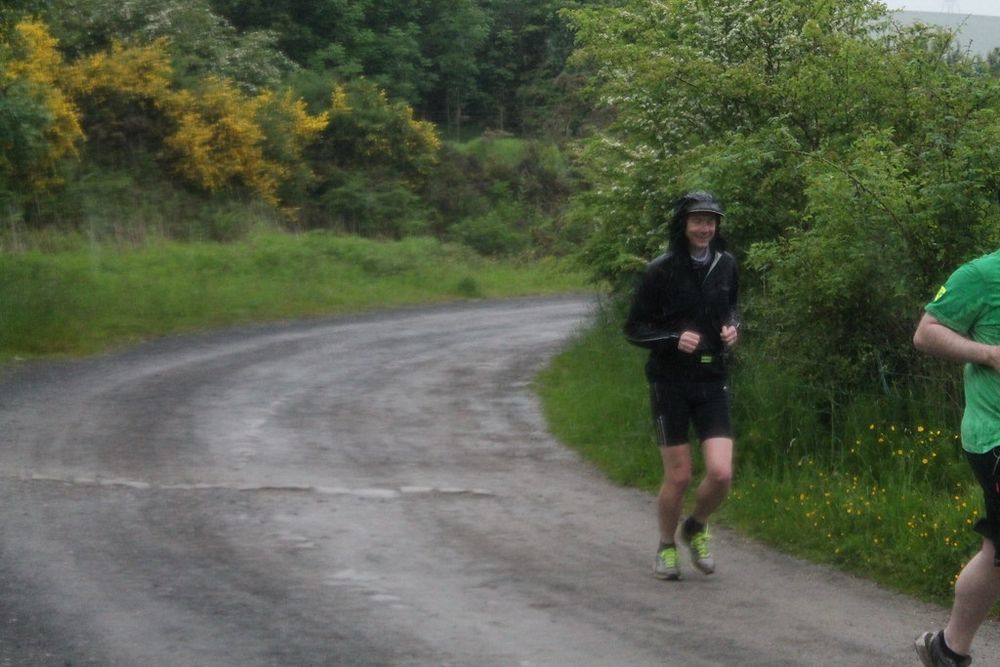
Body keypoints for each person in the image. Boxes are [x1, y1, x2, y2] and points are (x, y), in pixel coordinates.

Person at [623, 190, 740, 580]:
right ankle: (666, 546)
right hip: (669, 381)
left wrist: (733, 330)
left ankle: (695, 526)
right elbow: (634, 329)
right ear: (683, 224)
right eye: (697, 220)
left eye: (711, 221)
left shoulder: (727, 265)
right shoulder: (660, 270)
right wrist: (673, 339)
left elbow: (733, 311)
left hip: (712, 378)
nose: (705, 228)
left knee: (721, 473)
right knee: (680, 476)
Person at [913, 249, 1000, 667]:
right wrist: (988, 354)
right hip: (995, 437)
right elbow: (926, 332)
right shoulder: (981, 275)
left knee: (996, 551)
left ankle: (948, 649)